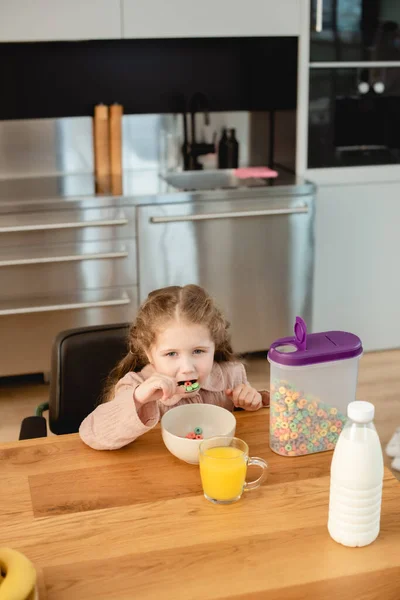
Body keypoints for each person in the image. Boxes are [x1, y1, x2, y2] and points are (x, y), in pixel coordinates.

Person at [79, 285, 270, 450]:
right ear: (148, 353)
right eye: (171, 354)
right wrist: (138, 399)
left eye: (198, 351)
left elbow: (250, 426)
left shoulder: (232, 375)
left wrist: (253, 402)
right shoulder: (135, 385)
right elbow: (92, 434)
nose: (187, 368)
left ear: (214, 346)